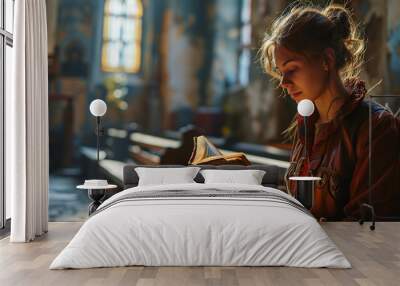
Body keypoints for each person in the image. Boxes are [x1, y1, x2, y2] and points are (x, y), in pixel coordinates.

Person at [259, 3, 400, 220]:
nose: (284, 83)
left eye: (292, 69)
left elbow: (370, 225)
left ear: (327, 60)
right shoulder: (307, 125)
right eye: (281, 72)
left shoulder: (377, 127)